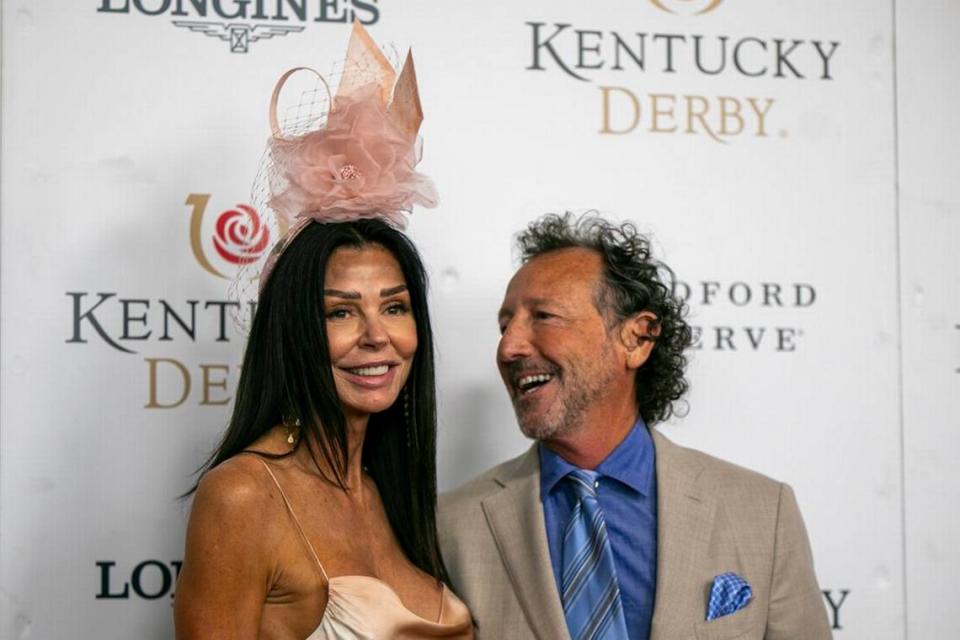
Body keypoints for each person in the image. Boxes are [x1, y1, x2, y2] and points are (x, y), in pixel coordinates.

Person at [174, 23, 473, 640]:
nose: (375, 336)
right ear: (295, 332)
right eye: (340, 311)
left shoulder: (396, 489)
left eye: (394, 308)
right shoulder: (243, 495)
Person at [438, 213, 831, 640]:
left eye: (544, 317)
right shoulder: (451, 525)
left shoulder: (763, 513)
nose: (509, 347)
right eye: (504, 326)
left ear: (637, 339)